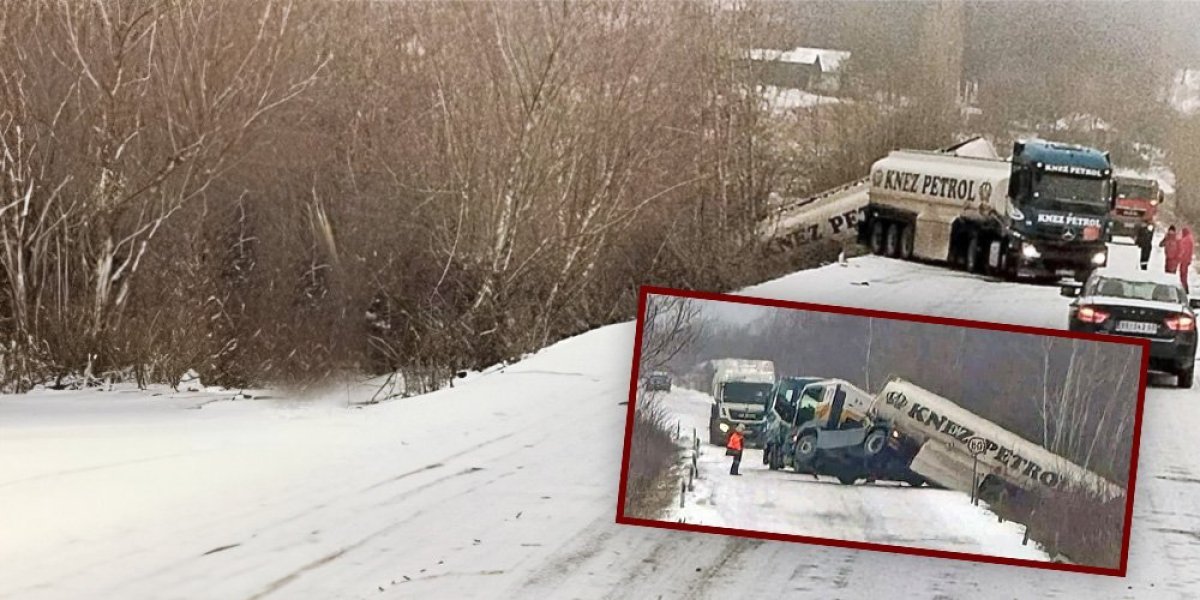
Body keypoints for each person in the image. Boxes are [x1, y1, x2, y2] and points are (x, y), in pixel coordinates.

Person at [1180, 227, 1195, 293]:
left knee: (1183, 274)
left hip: (1184, 260)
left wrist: (1180, 256)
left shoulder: (1186, 240)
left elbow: (1184, 250)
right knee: (1183, 274)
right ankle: (1184, 287)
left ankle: (1185, 288)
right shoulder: (1189, 239)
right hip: (1186, 259)